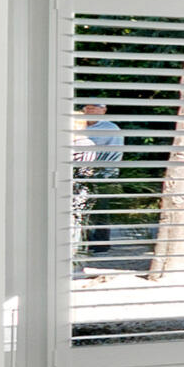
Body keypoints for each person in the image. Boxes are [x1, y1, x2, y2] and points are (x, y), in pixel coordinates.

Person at [71, 98, 124, 255]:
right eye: (87, 108)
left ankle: (101, 243)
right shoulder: (80, 128)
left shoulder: (111, 129)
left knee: (101, 208)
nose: (90, 111)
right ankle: (85, 242)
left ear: (103, 110)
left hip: (103, 174)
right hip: (82, 174)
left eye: (94, 108)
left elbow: (114, 154)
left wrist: (104, 173)